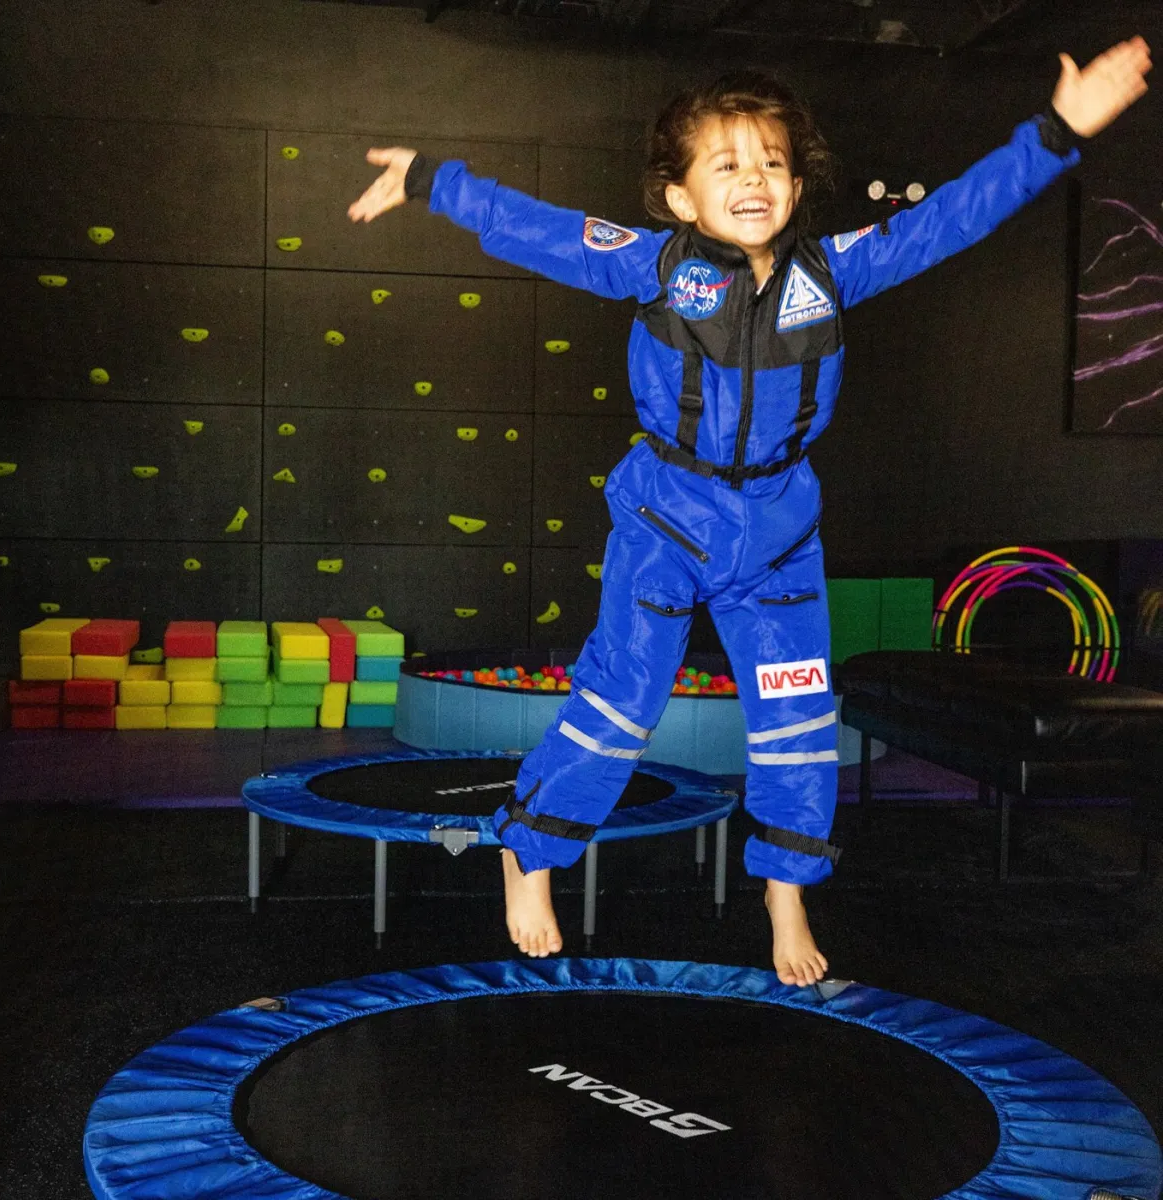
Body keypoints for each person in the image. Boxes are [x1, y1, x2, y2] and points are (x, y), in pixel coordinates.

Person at [350, 37, 1151, 985]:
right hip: (666, 518)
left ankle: (785, 895)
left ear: (799, 187)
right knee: (620, 701)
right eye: (727, 163)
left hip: (776, 532)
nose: (755, 178)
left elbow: (952, 220)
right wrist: (438, 181)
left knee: (797, 721)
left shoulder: (834, 271)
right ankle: (529, 851)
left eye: (773, 162)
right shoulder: (654, 267)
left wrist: (1058, 131)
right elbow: (546, 230)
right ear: (683, 198)